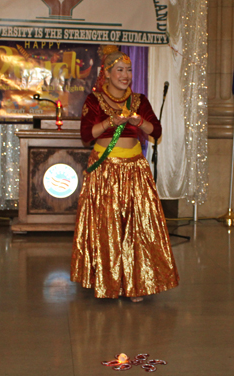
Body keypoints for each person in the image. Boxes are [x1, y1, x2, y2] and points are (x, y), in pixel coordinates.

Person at [70, 49, 179, 302]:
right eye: (119, 70)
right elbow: (87, 135)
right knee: (108, 226)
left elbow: (156, 131)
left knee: (136, 225)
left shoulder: (139, 101)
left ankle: (135, 282)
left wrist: (137, 121)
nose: (125, 75)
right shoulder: (94, 101)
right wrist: (111, 122)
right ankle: (109, 281)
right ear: (106, 74)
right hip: (106, 170)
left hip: (135, 169)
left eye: (129, 70)